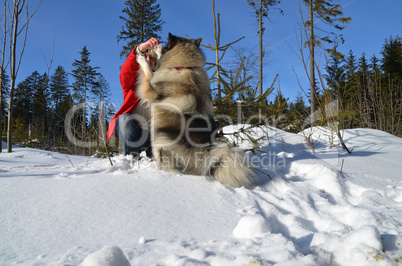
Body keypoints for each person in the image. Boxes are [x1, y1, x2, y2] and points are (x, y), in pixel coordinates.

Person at [107, 37, 160, 157]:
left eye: (151, 58)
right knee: (124, 119)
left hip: (155, 134)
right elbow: (126, 72)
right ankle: (132, 158)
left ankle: (155, 158)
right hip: (134, 131)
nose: (147, 60)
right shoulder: (133, 80)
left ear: (155, 62)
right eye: (145, 57)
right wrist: (140, 49)